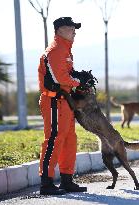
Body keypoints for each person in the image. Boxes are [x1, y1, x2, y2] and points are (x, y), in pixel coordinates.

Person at [38, 17, 87, 195]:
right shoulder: (56, 50)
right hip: (53, 102)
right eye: (71, 28)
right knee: (53, 139)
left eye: (75, 29)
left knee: (69, 139)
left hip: (64, 102)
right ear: (60, 30)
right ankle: (46, 183)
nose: (74, 31)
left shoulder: (65, 50)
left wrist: (78, 76)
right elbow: (60, 78)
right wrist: (78, 81)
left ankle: (67, 180)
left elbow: (66, 74)